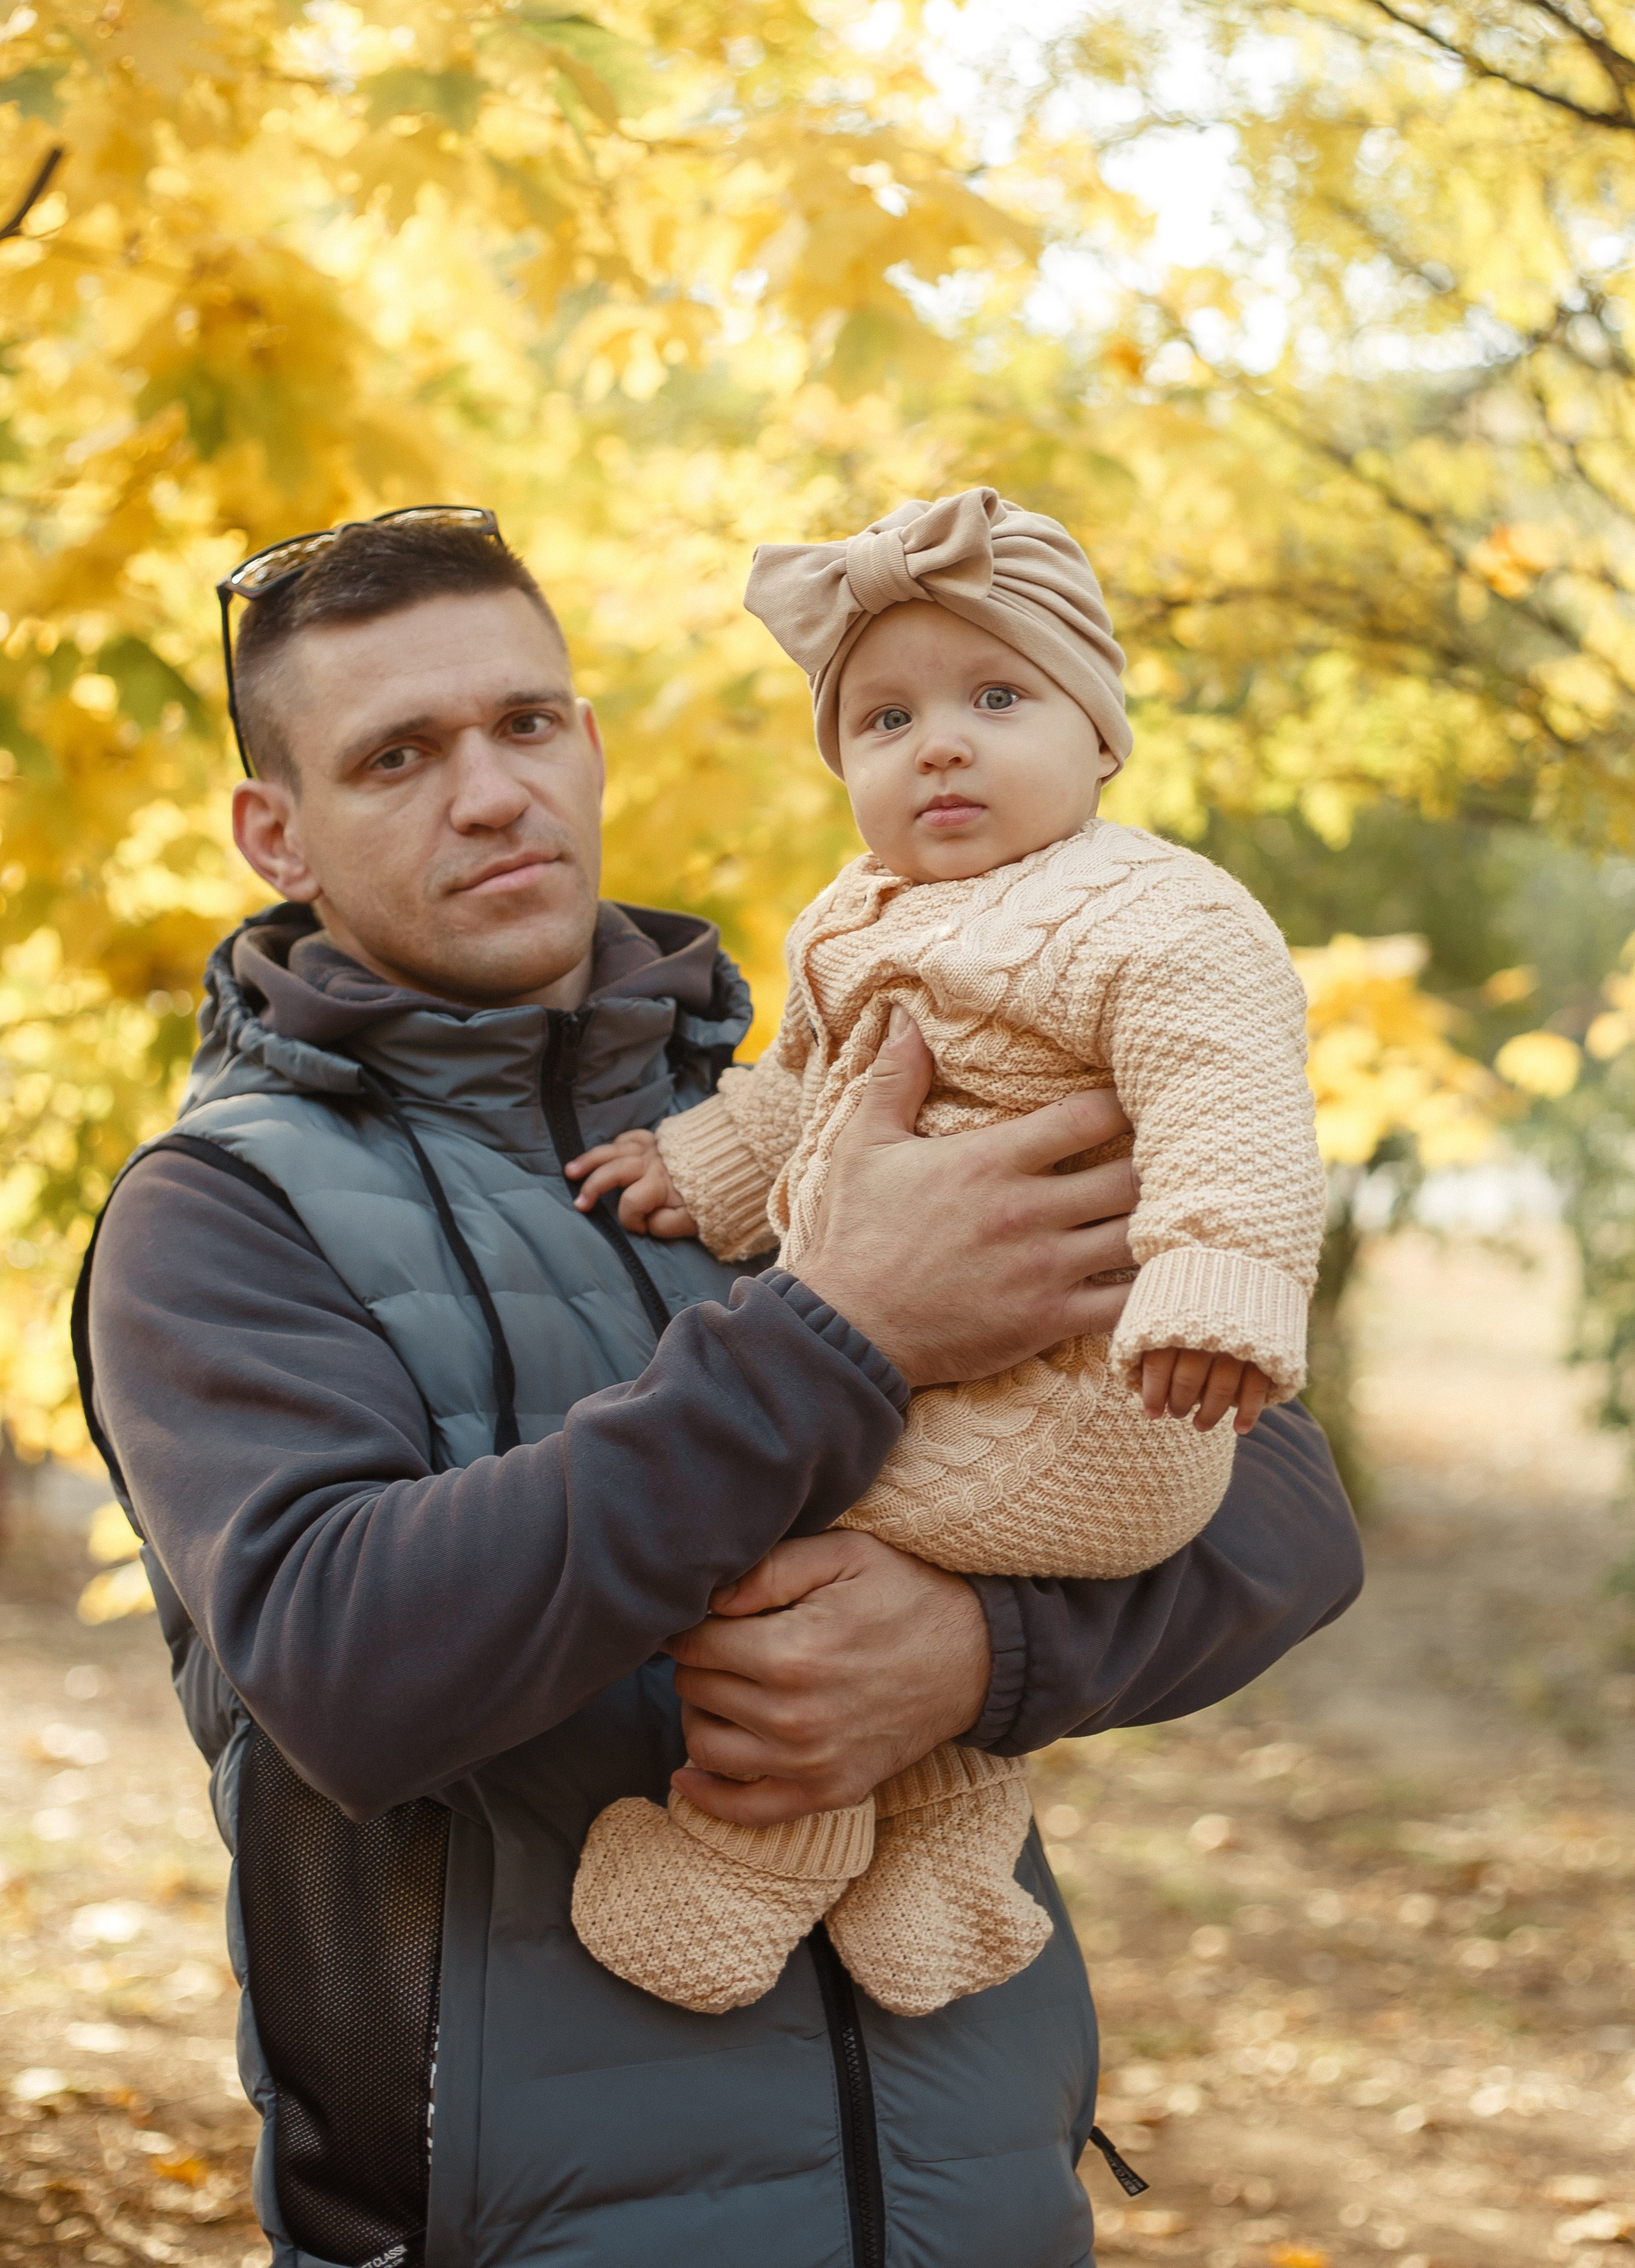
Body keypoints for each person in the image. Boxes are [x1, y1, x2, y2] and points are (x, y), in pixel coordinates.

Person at [75, 508, 1362, 2268]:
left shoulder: (853, 1096)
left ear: (590, 745)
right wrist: (843, 1331)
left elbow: (1283, 1510)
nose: (490, 793)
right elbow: (348, 1668)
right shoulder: (221, 1218)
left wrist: (982, 1658)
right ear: (273, 833)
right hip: (528, 2231)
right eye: (398, 756)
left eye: (526, 725)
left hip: (976, 2205)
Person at [567, 487, 1326, 2023]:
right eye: (884, 718)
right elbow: (799, 1089)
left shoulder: (1158, 917)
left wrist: (1217, 1287)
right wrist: (704, 1160)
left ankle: (747, 1863)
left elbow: (1227, 1102)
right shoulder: (858, 916)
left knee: (745, 1530)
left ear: (1098, 735)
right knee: (857, 1555)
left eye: (997, 697)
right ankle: (940, 1858)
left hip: (1097, 1396)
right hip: (966, 1396)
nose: (940, 745)